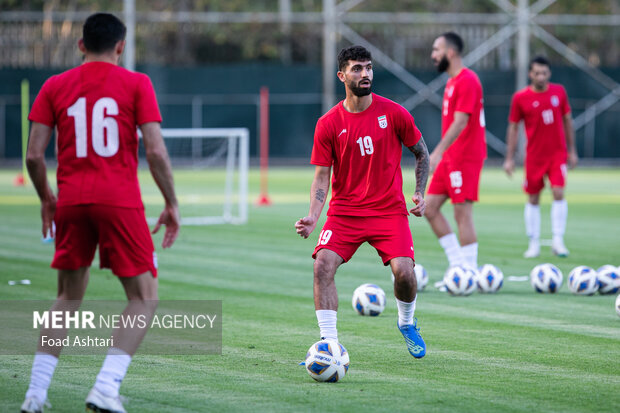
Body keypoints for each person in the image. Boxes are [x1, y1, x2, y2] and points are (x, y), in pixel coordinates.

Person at [21, 13, 179, 413]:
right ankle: (105, 387)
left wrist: (47, 198)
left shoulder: (54, 86)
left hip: (71, 201)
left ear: (80, 44)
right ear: (121, 47)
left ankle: (35, 395)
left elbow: (34, 156)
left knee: (67, 296)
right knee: (144, 297)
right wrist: (172, 203)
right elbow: (156, 151)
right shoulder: (136, 83)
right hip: (119, 201)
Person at [295, 45, 430, 358]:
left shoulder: (394, 113)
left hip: (389, 212)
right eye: (357, 68)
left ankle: (406, 323)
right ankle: (329, 344)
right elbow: (321, 176)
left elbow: (421, 152)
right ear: (342, 75)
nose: (365, 74)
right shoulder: (328, 123)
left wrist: (419, 191)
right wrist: (314, 216)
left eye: (368, 67)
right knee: (322, 266)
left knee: (405, 274)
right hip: (345, 214)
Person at [503, 55, 577, 258]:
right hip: (534, 156)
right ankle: (533, 243)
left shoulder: (559, 92)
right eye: (537, 73)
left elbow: (567, 122)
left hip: (557, 154)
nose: (541, 76)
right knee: (533, 197)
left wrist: (572, 151)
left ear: (549, 73)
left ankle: (558, 240)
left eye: (544, 73)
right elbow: (513, 128)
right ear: (530, 74)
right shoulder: (520, 98)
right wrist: (509, 158)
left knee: (559, 192)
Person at [425, 32, 486, 271]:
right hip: (451, 157)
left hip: (465, 156)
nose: (433, 55)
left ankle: (469, 272)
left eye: (436, 50)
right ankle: (458, 265)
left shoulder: (467, 80)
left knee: (462, 213)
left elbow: (461, 122)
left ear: (450, 52)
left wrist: (437, 152)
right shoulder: (452, 82)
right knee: (429, 208)